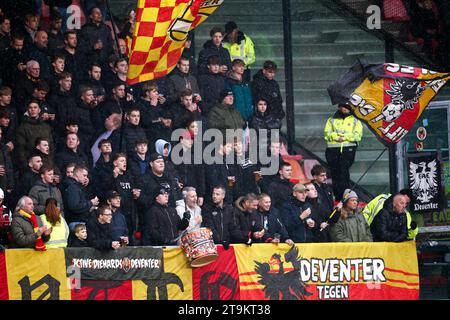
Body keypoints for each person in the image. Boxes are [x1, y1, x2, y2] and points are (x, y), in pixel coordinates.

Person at [324, 102, 363, 201]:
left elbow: (357, 135)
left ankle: (345, 197)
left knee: (344, 174)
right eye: (343, 106)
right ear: (339, 106)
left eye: (347, 107)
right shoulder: (331, 120)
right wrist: (337, 137)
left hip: (347, 151)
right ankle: (338, 197)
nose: (345, 109)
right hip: (333, 151)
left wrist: (344, 137)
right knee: (335, 174)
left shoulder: (355, 120)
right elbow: (327, 134)